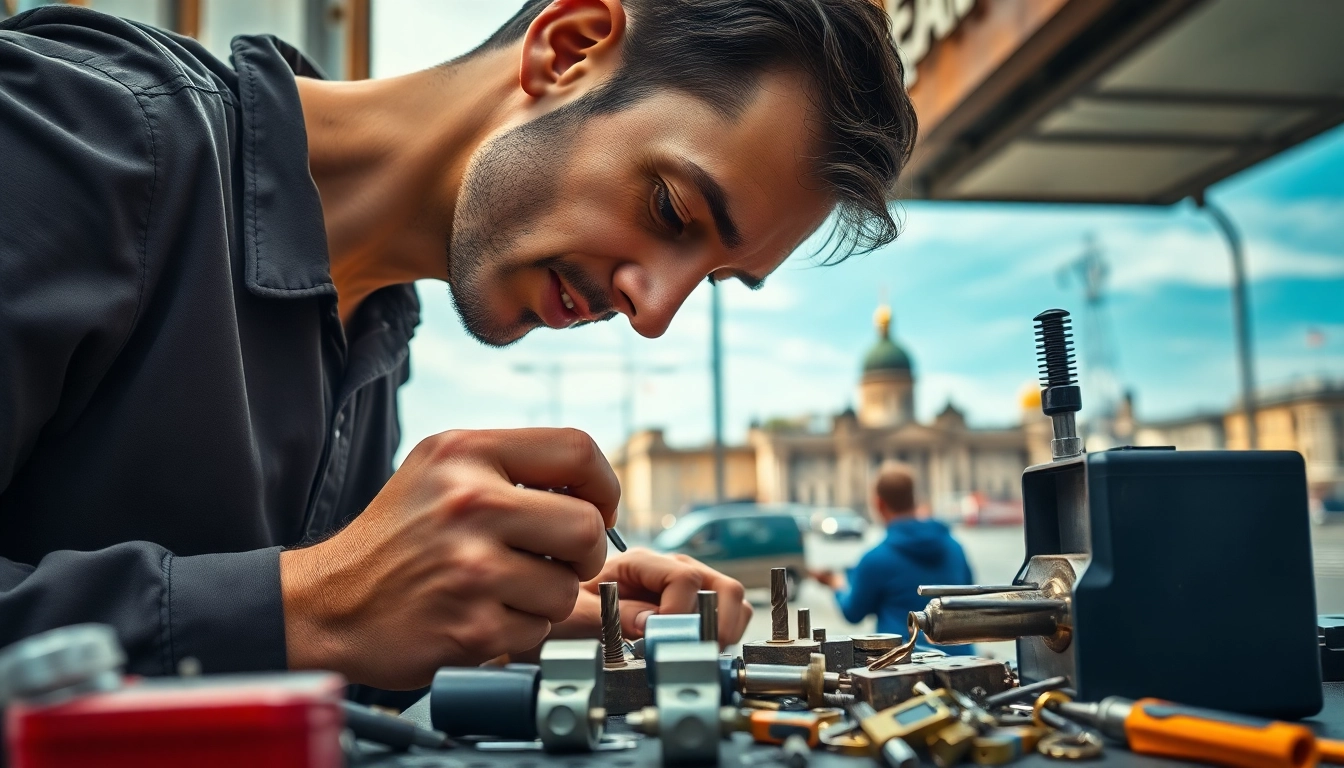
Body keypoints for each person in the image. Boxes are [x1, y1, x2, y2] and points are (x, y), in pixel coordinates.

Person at [0, 0, 917, 692]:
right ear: (567, 51)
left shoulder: (373, 344)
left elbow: (270, 674)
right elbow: (299, 613)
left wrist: (518, 611)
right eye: (671, 209)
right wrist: (308, 605)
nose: (654, 313)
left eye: (711, 278)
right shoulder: (86, 139)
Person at [811, 462, 975, 655]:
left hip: (905, 666)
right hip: (961, 662)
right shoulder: (954, 547)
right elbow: (969, 597)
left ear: (879, 503)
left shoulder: (876, 559)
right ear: (914, 499)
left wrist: (836, 583)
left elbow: (853, 612)